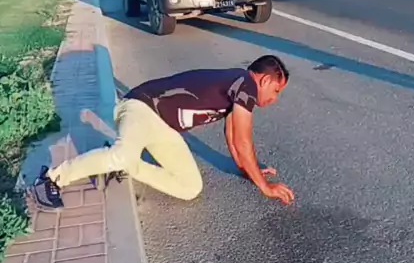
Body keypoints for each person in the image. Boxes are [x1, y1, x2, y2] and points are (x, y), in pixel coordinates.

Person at [30, 54, 294, 211]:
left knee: (190, 187)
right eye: (276, 91)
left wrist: (248, 171)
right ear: (264, 80)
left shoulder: (237, 87)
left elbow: (234, 139)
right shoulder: (245, 83)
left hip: (164, 127)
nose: (275, 99)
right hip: (141, 107)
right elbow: (243, 142)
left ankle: (124, 162)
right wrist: (265, 188)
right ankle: (50, 179)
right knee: (122, 155)